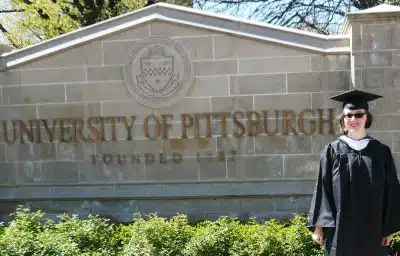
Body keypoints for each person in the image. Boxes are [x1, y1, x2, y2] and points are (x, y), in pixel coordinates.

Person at [308, 89, 400, 256]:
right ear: (343, 118)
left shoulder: (380, 152)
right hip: (341, 232)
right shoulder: (333, 151)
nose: (353, 119)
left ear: (366, 117)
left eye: (359, 115)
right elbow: (323, 187)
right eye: (348, 115)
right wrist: (318, 227)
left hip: (373, 231)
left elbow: (391, 190)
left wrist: (389, 229)